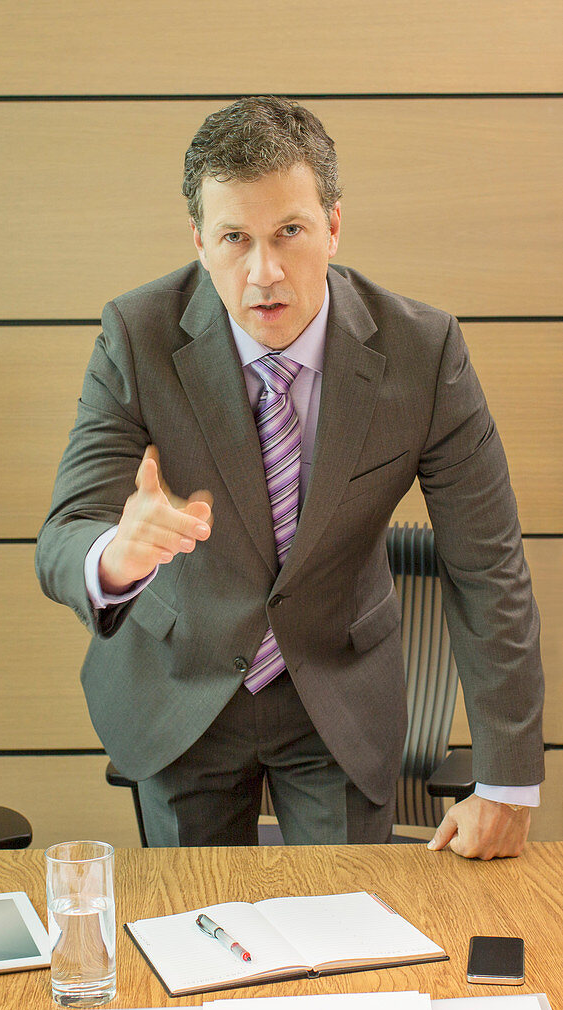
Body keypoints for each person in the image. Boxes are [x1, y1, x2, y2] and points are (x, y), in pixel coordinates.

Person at [36, 96, 544, 858]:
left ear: (333, 226)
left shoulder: (423, 351)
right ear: (199, 241)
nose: (263, 272)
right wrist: (115, 554)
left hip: (335, 689)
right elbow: (63, 534)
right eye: (234, 238)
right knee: (189, 940)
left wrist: (506, 781)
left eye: (290, 233)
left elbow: (487, 563)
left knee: (348, 942)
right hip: (179, 687)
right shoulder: (135, 335)